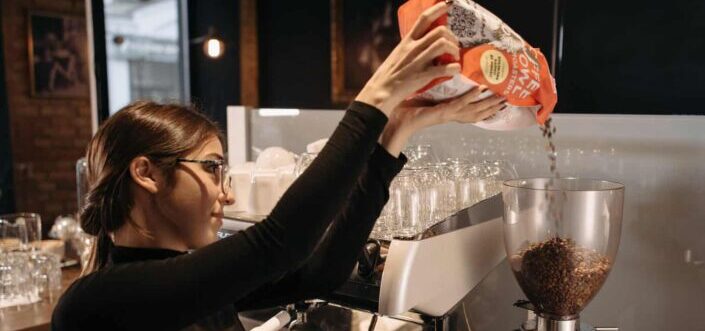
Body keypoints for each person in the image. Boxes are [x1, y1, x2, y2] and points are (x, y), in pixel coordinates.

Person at [51, 3, 507, 330]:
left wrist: (397, 129)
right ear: (146, 173)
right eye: (212, 169)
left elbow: (321, 272)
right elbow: (281, 242)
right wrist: (376, 98)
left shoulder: (192, 281)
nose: (226, 194)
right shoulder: (98, 302)